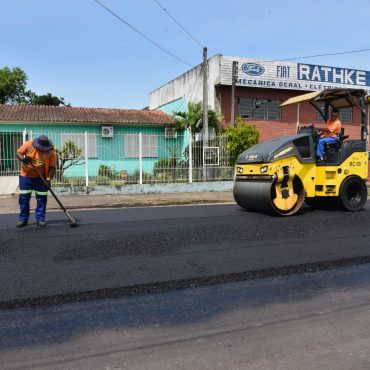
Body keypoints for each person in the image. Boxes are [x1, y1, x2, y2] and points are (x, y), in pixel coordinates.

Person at [16, 135, 57, 227]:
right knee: (24, 199)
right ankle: (23, 219)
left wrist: (48, 180)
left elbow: (52, 168)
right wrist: (23, 159)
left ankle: (40, 219)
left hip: (41, 178)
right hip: (25, 177)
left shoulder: (51, 152)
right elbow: (18, 152)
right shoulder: (29, 144)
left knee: (42, 199)